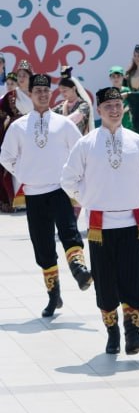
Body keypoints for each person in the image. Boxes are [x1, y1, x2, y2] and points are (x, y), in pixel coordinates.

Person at [61, 87, 139, 355]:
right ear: (99, 110)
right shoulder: (86, 144)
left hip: (131, 223)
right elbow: (68, 180)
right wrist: (89, 198)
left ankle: (133, 334)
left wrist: (135, 196)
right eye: (108, 106)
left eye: (118, 105)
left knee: (134, 278)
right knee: (105, 281)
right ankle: (113, 333)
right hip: (100, 225)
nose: (114, 110)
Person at [0, 73, 92, 317]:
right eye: (37, 91)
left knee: (69, 232)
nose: (42, 94)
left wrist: (72, 176)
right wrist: (24, 172)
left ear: (50, 93)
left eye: (45, 90)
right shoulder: (19, 126)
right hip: (33, 193)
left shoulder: (64, 124)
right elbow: (5, 156)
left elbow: (81, 151)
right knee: (42, 244)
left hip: (60, 189)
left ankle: (80, 271)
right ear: (30, 94)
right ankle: (54, 295)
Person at [0, 72, 25, 211]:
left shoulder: (25, 97)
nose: (9, 86)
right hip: (8, 134)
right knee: (9, 167)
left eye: (12, 84)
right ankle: (13, 200)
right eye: (8, 84)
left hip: (25, 135)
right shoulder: (5, 99)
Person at [54, 67, 94, 136]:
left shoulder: (84, 105)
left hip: (81, 141)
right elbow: (49, 115)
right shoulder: (61, 106)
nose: (62, 94)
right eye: (61, 91)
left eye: (65, 90)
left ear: (74, 88)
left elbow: (74, 118)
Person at [108, 66, 133, 130]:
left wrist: (126, 109)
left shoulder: (128, 90)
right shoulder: (107, 93)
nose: (116, 79)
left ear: (123, 77)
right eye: (113, 76)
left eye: (118, 76)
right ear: (110, 78)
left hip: (128, 125)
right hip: (114, 127)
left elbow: (133, 104)